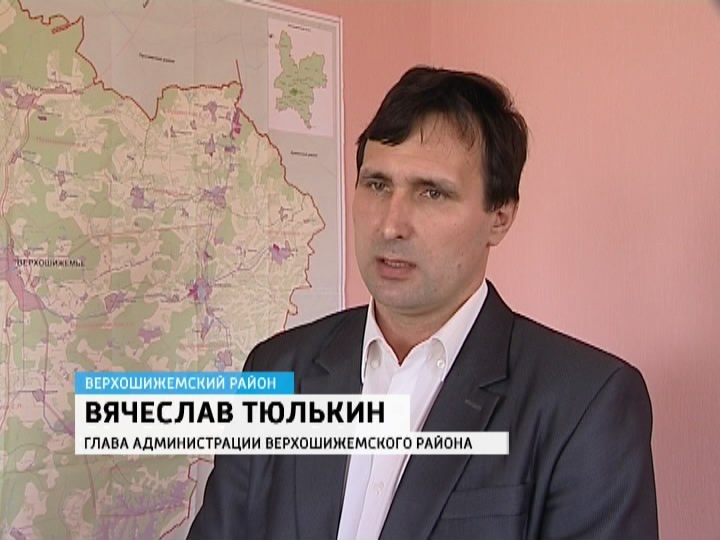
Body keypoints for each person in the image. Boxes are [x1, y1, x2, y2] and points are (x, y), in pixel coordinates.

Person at [187, 66, 658, 540]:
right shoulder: (276, 369)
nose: (391, 225)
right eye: (377, 184)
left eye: (432, 193)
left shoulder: (587, 404)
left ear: (499, 217)